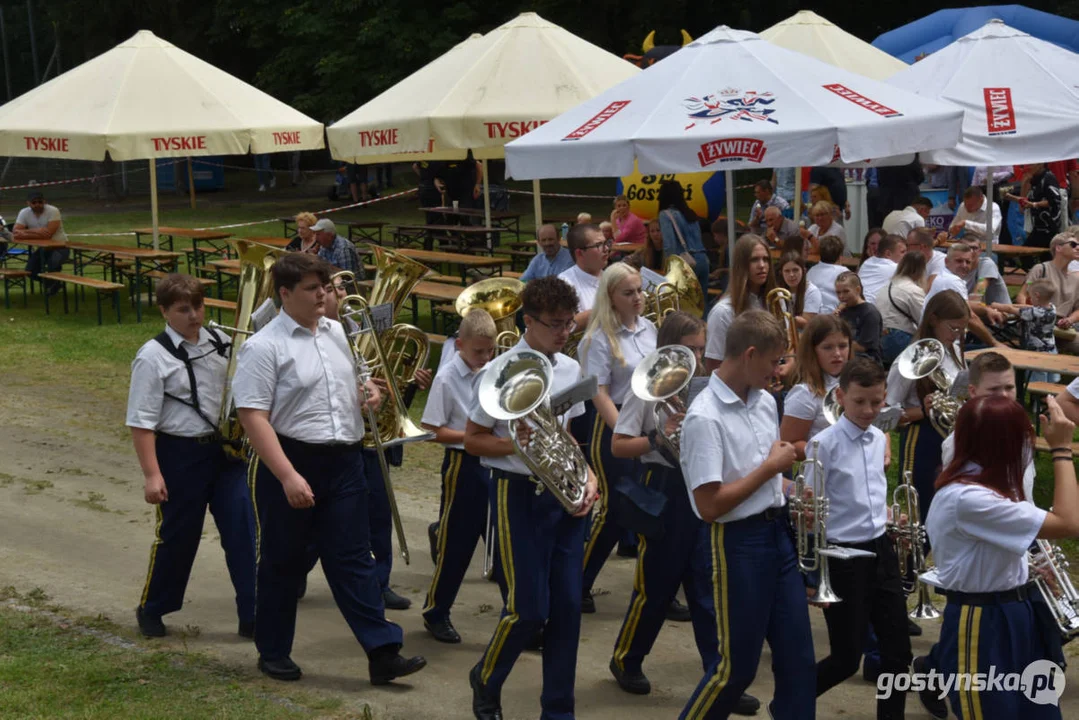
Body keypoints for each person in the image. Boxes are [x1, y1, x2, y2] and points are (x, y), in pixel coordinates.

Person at [231, 253, 425, 685]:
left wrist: (370, 393)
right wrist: (286, 475)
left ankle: (383, 652)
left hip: (345, 461)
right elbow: (252, 416)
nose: (323, 295)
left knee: (354, 558)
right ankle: (274, 651)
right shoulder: (264, 346)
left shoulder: (339, 331)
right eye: (312, 289)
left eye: (324, 286)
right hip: (292, 459)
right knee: (283, 561)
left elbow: (357, 380)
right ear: (284, 294)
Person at [607, 311, 762, 716]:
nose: (696, 359)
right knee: (656, 587)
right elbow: (619, 445)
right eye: (689, 350)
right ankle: (626, 658)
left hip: (703, 488)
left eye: (700, 349)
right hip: (666, 488)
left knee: (707, 588)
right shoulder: (648, 389)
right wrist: (659, 436)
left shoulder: (708, 388)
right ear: (669, 351)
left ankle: (721, 676)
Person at [466, 275, 599, 720]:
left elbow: (572, 438)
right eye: (556, 324)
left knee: (566, 609)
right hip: (517, 494)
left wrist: (589, 478)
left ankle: (558, 711)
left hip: (562, 498)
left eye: (569, 324)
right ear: (528, 322)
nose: (565, 332)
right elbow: (474, 441)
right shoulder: (500, 371)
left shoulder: (569, 367)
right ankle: (486, 677)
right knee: (528, 609)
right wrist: (519, 444)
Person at [679, 310, 815, 720]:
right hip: (736, 545)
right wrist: (771, 470)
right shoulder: (705, 417)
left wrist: (789, 491)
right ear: (750, 354)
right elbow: (710, 505)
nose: (779, 371)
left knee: (798, 662)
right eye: (775, 362)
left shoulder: (763, 402)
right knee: (734, 670)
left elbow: (765, 476)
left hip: (778, 536)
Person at [924, 394, 1078, 719]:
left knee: (1043, 713)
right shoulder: (968, 497)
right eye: (1023, 438)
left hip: (1016, 611)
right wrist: (1062, 450)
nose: (1029, 447)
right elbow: (1068, 522)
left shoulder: (986, 485)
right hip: (981, 621)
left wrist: (1026, 566)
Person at [126, 274, 256, 640]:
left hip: (225, 453)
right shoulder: (152, 357)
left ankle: (253, 613)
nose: (194, 316)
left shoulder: (221, 341)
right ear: (164, 311)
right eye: (183, 309)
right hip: (179, 453)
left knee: (243, 531)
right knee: (179, 536)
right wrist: (153, 475)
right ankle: (153, 607)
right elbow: (141, 423)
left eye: (198, 306)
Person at [807, 357, 912, 720]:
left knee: (898, 652)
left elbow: (866, 493)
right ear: (840, 396)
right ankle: (792, 701)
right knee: (846, 659)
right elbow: (812, 511)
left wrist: (887, 515)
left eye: (877, 401)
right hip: (842, 557)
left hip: (880, 550)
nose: (869, 410)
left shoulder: (879, 436)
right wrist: (811, 572)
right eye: (860, 402)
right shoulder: (823, 445)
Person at [579, 263, 658, 613]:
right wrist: (626, 431)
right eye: (629, 292)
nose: (638, 298)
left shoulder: (650, 329)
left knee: (653, 506)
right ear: (611, 296)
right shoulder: (597, 338)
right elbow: (599, 392)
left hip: (649, 420)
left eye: (640, 290)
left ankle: (659, 586)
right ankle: (578, 580)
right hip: (613, 423)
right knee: (616, 509)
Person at [420, 309, 498, 644]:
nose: (484, 357)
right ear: (460, 344)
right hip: (462, 466)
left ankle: (524, 616)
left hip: (495, 463)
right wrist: (471, 438)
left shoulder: (494, 371)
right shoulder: (447, 377)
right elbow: (432, 430)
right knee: (457, 546)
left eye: (489, 351)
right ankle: (436, 612)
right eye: (478, 351)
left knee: (502, 545)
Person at [886, 290, 969, 527]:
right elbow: (886, 413)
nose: (957, 335)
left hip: (953, 439)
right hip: (921, 440)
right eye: (953, 328)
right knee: (921, 516)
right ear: (933, 319)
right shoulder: (910, 358)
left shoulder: (954, 351)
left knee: (950, 515)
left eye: (962, 330)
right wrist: (922, 411)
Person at [780, 314, 851, 459]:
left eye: (843, 346)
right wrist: (829, 451)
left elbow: (877, 421)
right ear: (812, 351)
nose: (837, 353)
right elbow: (788, 444)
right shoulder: (804, 393)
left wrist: (885, 447)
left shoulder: (857, 380)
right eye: (827, 347)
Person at [704, 234, 775, 372]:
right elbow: (714, 366)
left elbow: (788, 348)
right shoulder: (723, 312)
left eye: (766, 259)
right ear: (741, 265)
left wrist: (788, 365)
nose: (762, 265)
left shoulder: (776, 301)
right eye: (754, 260)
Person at [1017, 233, 1079, 354]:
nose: (1078, 247)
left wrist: (1070, 320)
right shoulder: (1041, 269)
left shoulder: (1076, 279)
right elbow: (1022, 295)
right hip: (1040, 327)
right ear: (1058, 248)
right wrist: (1032, 314)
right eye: (1073, 244)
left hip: (1063, 329)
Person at [992, 279, 1058, 383]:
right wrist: (1016, 305)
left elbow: (1010, 310)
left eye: (1030, 297)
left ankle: (1037, 398)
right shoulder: (1052, 308)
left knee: (1037, 382)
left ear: (1037, 296)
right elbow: (1028, 307)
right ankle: (1050, 397)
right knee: (1051, 379)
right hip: (1051, 350)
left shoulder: (1035, 313)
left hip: (1037, 354)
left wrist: (996, 305)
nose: (1030, 300)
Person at [657, 180, 710, 299]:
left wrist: (668, 268)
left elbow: (669, 245)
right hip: (703, 259)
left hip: (686, 264)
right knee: (702, 303)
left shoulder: (665, 215)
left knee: (685, 305)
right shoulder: (690, 213)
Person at [876, 251, 927, 366]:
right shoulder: (913, 290)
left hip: (881, 338)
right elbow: (924, 320)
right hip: (898, 338)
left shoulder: (885, 286)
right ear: (920, 270)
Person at [15, 190, 68, 295]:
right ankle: (54, 284)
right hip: (43, 247)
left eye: (40, 202)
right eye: (34, 202)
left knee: (53, 264)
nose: (37, 205)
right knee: (30, 271)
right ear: (28, 203)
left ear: (44, 201)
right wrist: (36, 231)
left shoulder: (53, 210)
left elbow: (48, 235)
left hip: (60, 245)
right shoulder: (24, 212)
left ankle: (54, 285)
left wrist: (25, 233)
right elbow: (16, 233)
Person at [558, 223, 609, 329]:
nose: (606, 248)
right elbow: (566, 326)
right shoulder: (564, 283)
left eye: (606, 243)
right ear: (580, 253)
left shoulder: (611, 277)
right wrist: (613, 304)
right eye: (598, 245)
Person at [1006, 163, 1062, 248]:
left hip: (1049, 226)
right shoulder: (1035, 179)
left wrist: (1034, 204)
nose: (1029, 167)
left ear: (1040, 165)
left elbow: (1054, 200)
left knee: (1026, 252)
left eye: (1032, 165)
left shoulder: (1048, 177)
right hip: (1038, 226)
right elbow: (1027, 203)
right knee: (1034, 253)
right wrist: (1011, 197)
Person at [836, 272, 882, 364]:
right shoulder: (843, 310)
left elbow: (863, 346)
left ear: (857, 290)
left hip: (867, 362)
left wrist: (836, 343)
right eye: (838, 292)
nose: (841, 296)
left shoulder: (869, 313)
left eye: (846, 291)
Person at [958, 236, 1010, 306]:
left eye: (974, 248)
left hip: (1001, 313)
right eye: (966, 248)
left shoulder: (986, 264)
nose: (971, 251)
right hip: (980, 311)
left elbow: (978, 294)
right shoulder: (956, 267)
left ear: (980, 251)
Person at [776, 251, 821, 329]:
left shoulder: (812, 291)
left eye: (795, 270)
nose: (791, 275)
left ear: (803, 271)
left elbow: (807, 324)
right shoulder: (778, 291)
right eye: (787, 271)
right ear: (781, 273)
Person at [858, 234, 906, 305]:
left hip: (854, 305)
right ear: (888, 254)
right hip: (872, 309)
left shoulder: (867, 262)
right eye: (902, 252)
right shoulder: (896, 268)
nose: (906, 255)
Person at [807, 236, 848, 314]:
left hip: (812, 316)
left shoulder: (811, 271)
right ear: (840, 256)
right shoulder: (845, 272)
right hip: (834, 317)